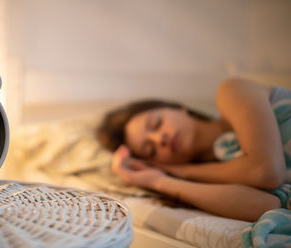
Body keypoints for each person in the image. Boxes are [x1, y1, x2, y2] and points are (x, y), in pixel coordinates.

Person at [97, 78, 291, 222]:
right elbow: (268, 206)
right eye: (151, 151)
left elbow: (268, 172)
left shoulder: (231, 92)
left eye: (156, 123)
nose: (160, 139)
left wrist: (183, 171)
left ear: (178, 108)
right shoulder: (218, 175)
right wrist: (158, 180)